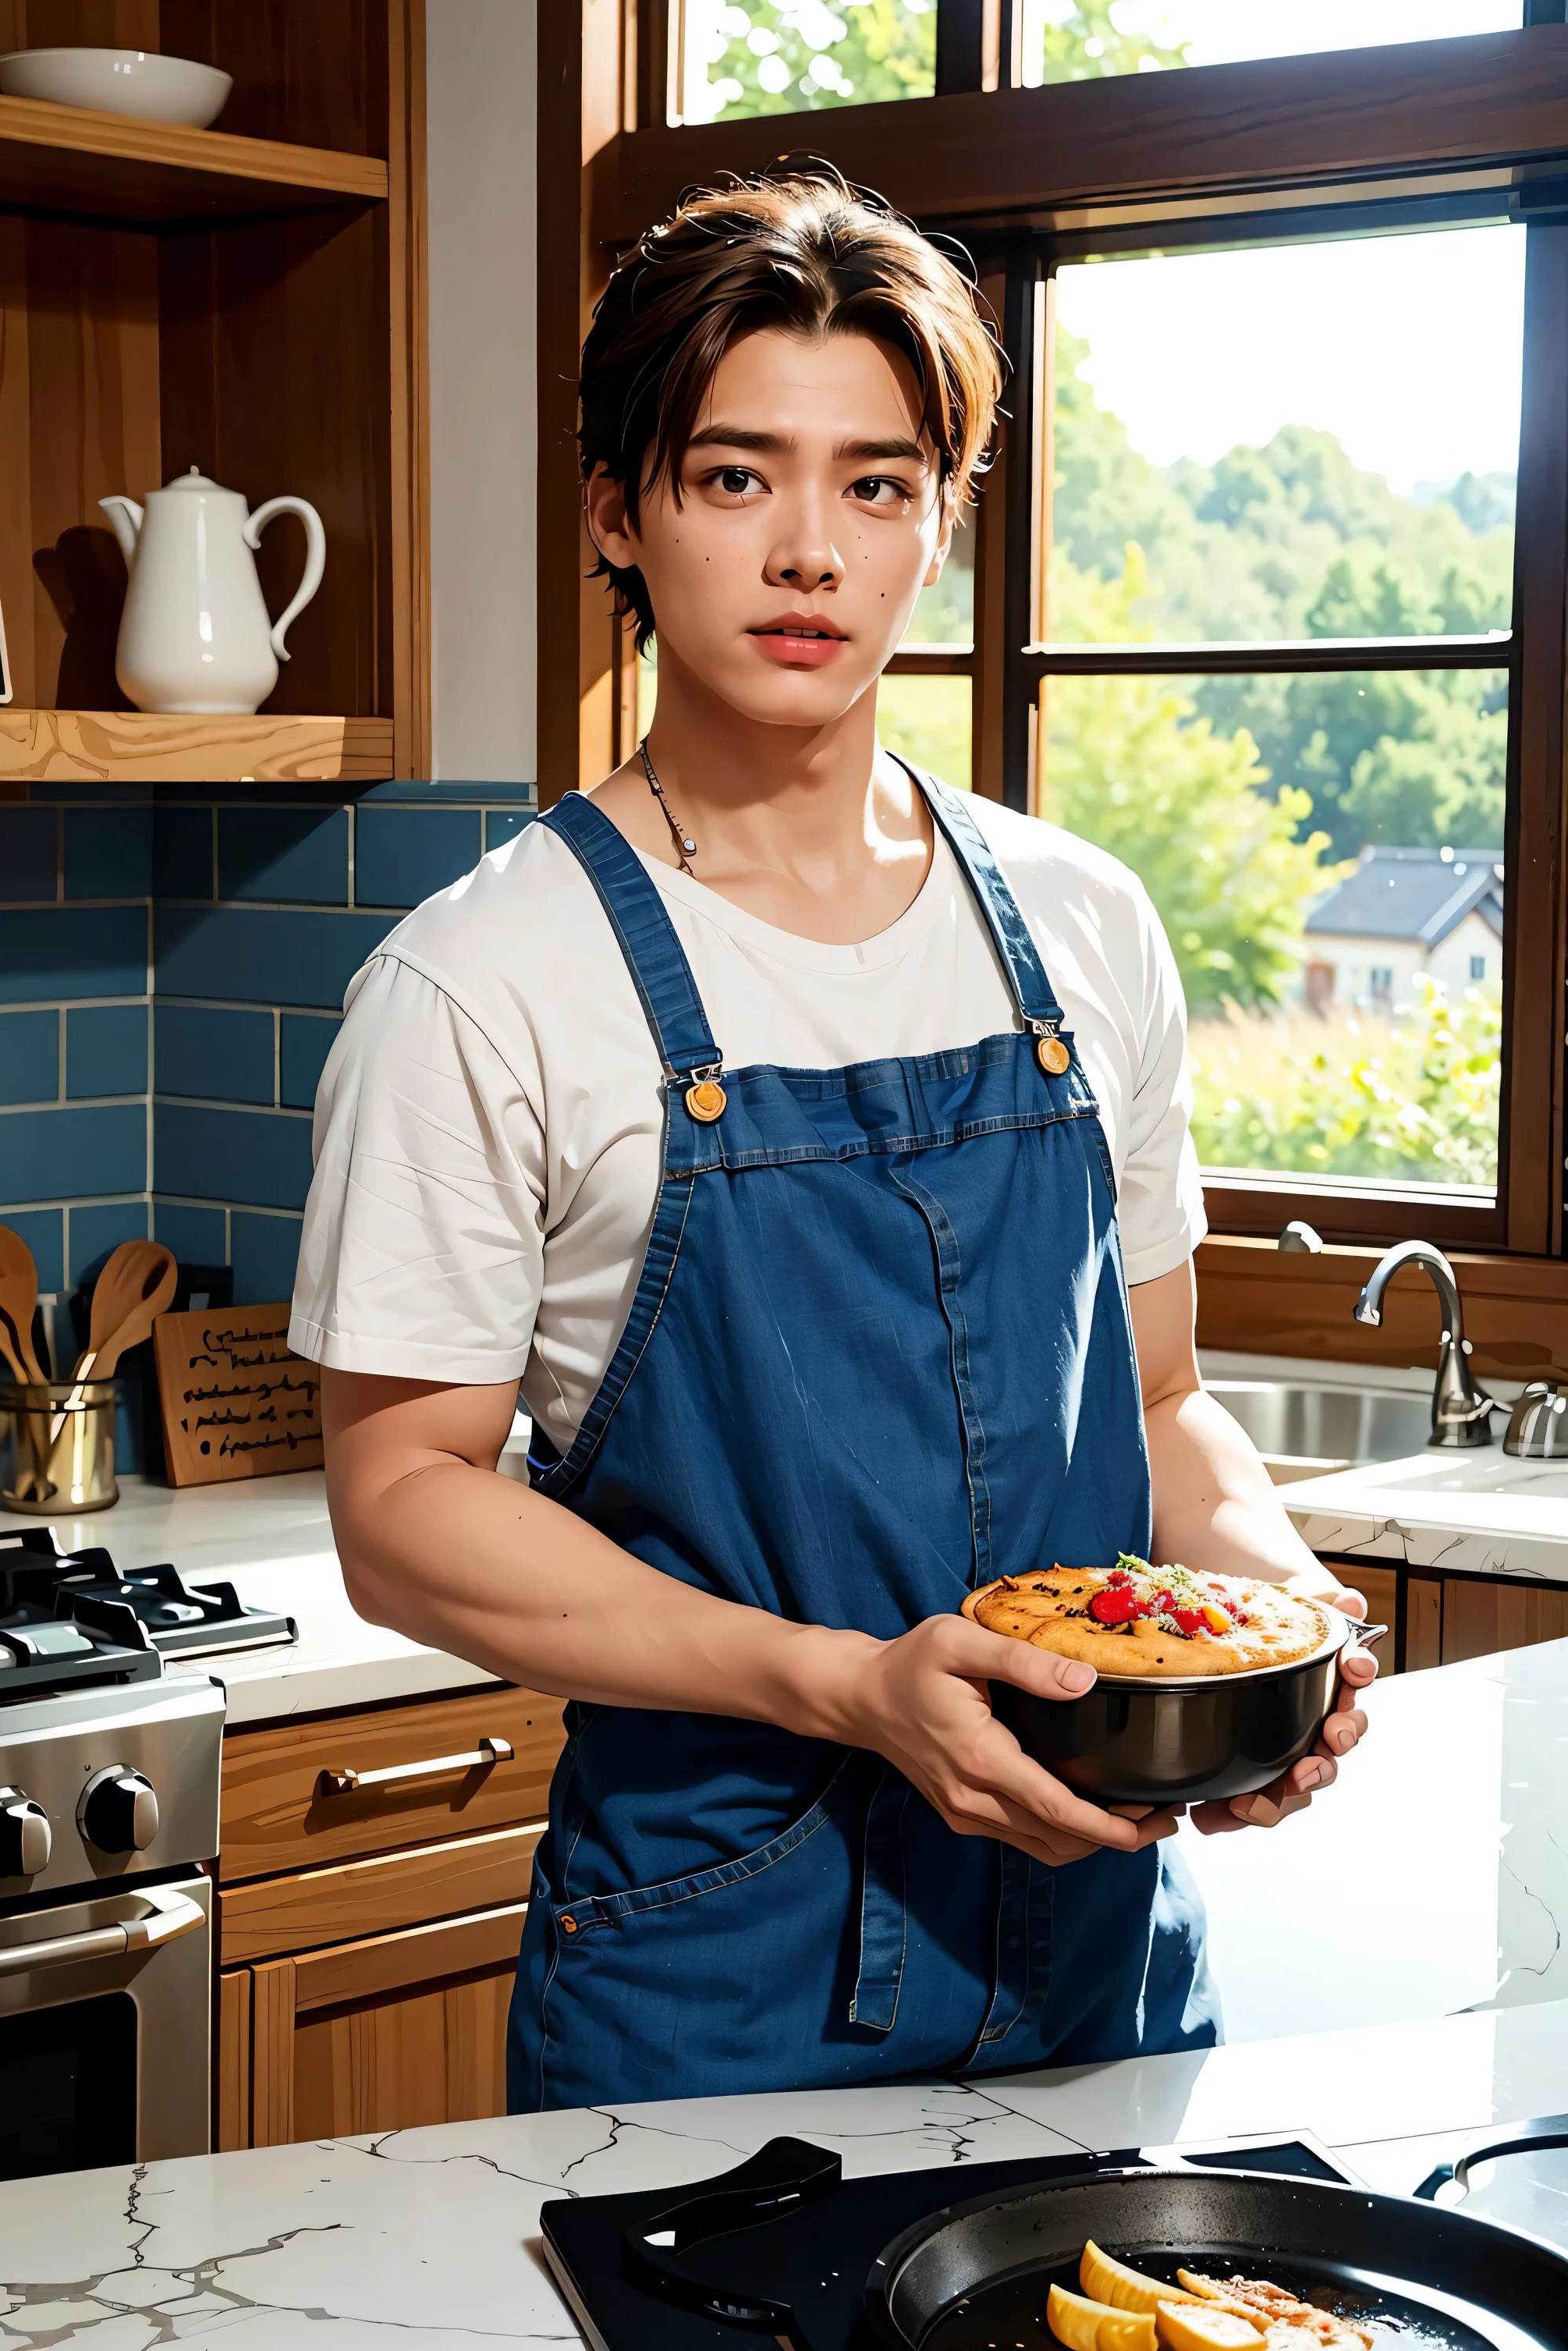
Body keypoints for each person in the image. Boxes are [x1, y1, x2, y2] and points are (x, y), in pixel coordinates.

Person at [292, 169, 1374, 2116]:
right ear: (619, 509)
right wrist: (846, 1688)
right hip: (714, 1983)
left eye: (877, 485)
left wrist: (1273, 1633)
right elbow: (400, 1503)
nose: (810, 551)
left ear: (943, 527)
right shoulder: (485, 980)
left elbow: (1160, 1397)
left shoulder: (1080, 923)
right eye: (735, 478)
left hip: (1105, 1972)